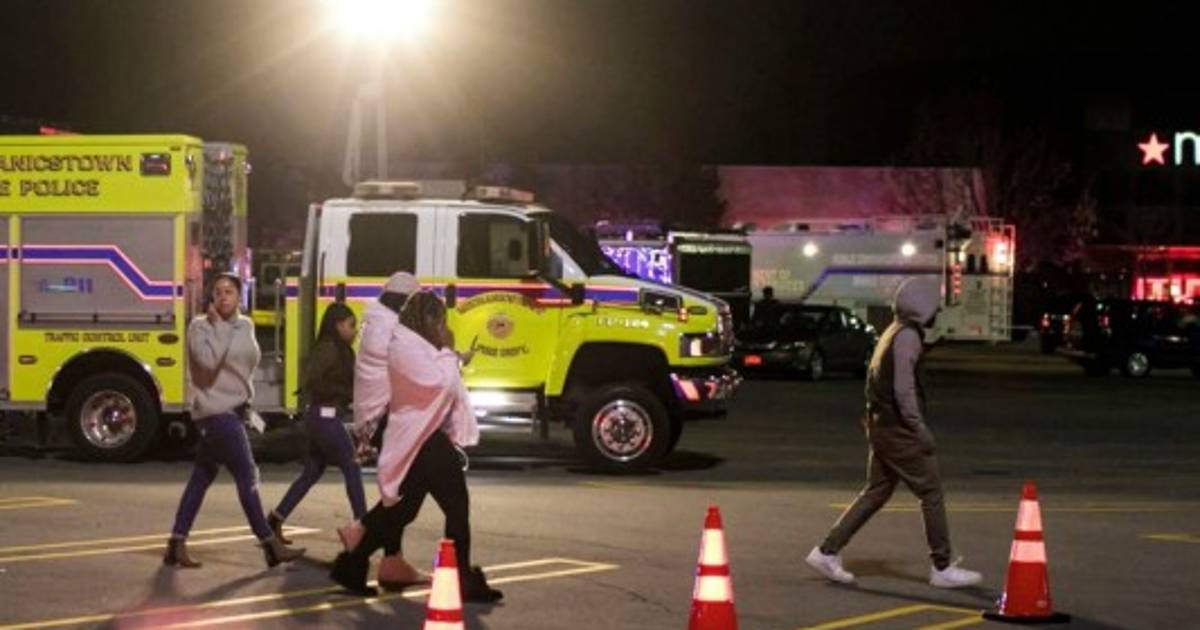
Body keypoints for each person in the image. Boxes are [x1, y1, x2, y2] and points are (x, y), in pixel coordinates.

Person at [805, 278, 982, 589]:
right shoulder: (908, 337)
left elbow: (876, 379)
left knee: (876, 491)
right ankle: (942, 567)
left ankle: (826, 551)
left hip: (882, 425)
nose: (937, 311)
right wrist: (919, 429)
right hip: (899, 429)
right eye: (934, 305)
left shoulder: (893, 331)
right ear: (921, 306)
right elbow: (903, 389)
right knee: (931, 493)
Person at [331, 292, 502, 603]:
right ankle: (463, 578)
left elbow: (440, 379)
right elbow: (442, 385)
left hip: (417, 438)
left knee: (402, 510)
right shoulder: (405, 348)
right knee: (456, 506)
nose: (443, 328)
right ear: (429, 319)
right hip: (423, 440)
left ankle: (353, 564)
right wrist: (449, 350)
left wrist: (449, 355)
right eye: (440, 321)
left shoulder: (411, 345)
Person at [164, 273, 305, 569]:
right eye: (217, 292)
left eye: (229, 291)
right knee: (247, 475)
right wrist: (219, 326)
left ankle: (176, 543)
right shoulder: (200, 327)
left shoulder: (246, 324)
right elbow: (209, 362)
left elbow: (247, 363)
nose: (223, 296)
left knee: (201, 476)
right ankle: (270, 544)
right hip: (215, 413)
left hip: (235, 409)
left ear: (240, 296)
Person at [347, 271, 426, 587]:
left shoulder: (376, 322)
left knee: (397, 490)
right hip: (385, 417)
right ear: (403, 301)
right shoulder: (389, 329)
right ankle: (363, 533)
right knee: (406, 492)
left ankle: (392, 559)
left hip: (380, 416)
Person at [266, 303, 366, 544]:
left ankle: (276, 519)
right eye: (351, 325)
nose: (354, 331)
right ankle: (363, 527)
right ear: (338, 325)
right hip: (325, 418)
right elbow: (315, 382)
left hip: (321, 418)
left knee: (312, 471)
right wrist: (345, 394)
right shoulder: (329, 349)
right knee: (351, 465)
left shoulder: (340, 350)